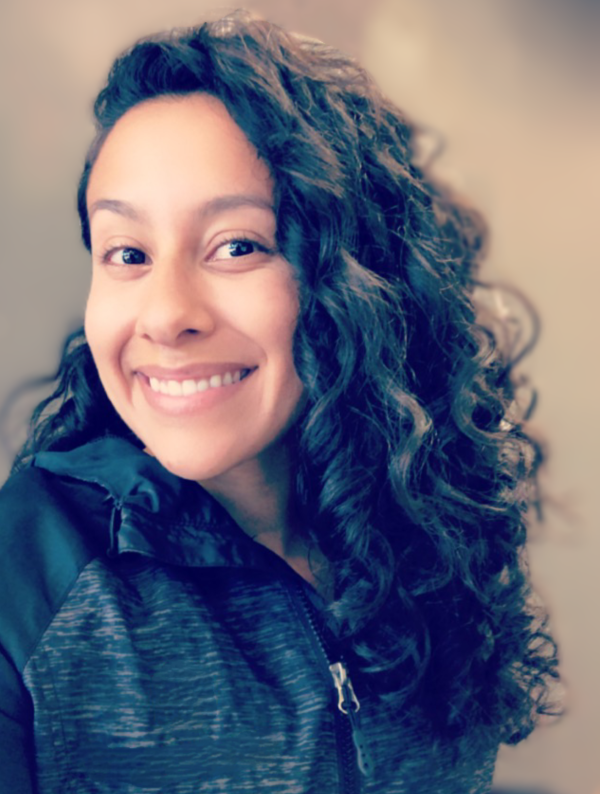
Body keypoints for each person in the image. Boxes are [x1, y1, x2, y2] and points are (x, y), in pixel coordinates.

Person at [0, 11, 559, 793]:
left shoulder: (427, 540)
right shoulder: (25, 576)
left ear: (358, 282)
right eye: (127, 253)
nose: (166, 314)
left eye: (238, 246)